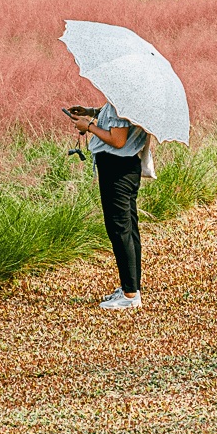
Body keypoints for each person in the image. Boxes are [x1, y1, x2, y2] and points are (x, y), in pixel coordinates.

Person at [64, 101, 149, 310]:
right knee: (129, 227)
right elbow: (117, 121)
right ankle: (132, 287)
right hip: (129, 165)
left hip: (116, 168)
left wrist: (89, 126)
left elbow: (118, 140)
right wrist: (91, 112)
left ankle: (130, 295)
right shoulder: (132, 99)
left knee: (119, 229)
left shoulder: (122, 101)